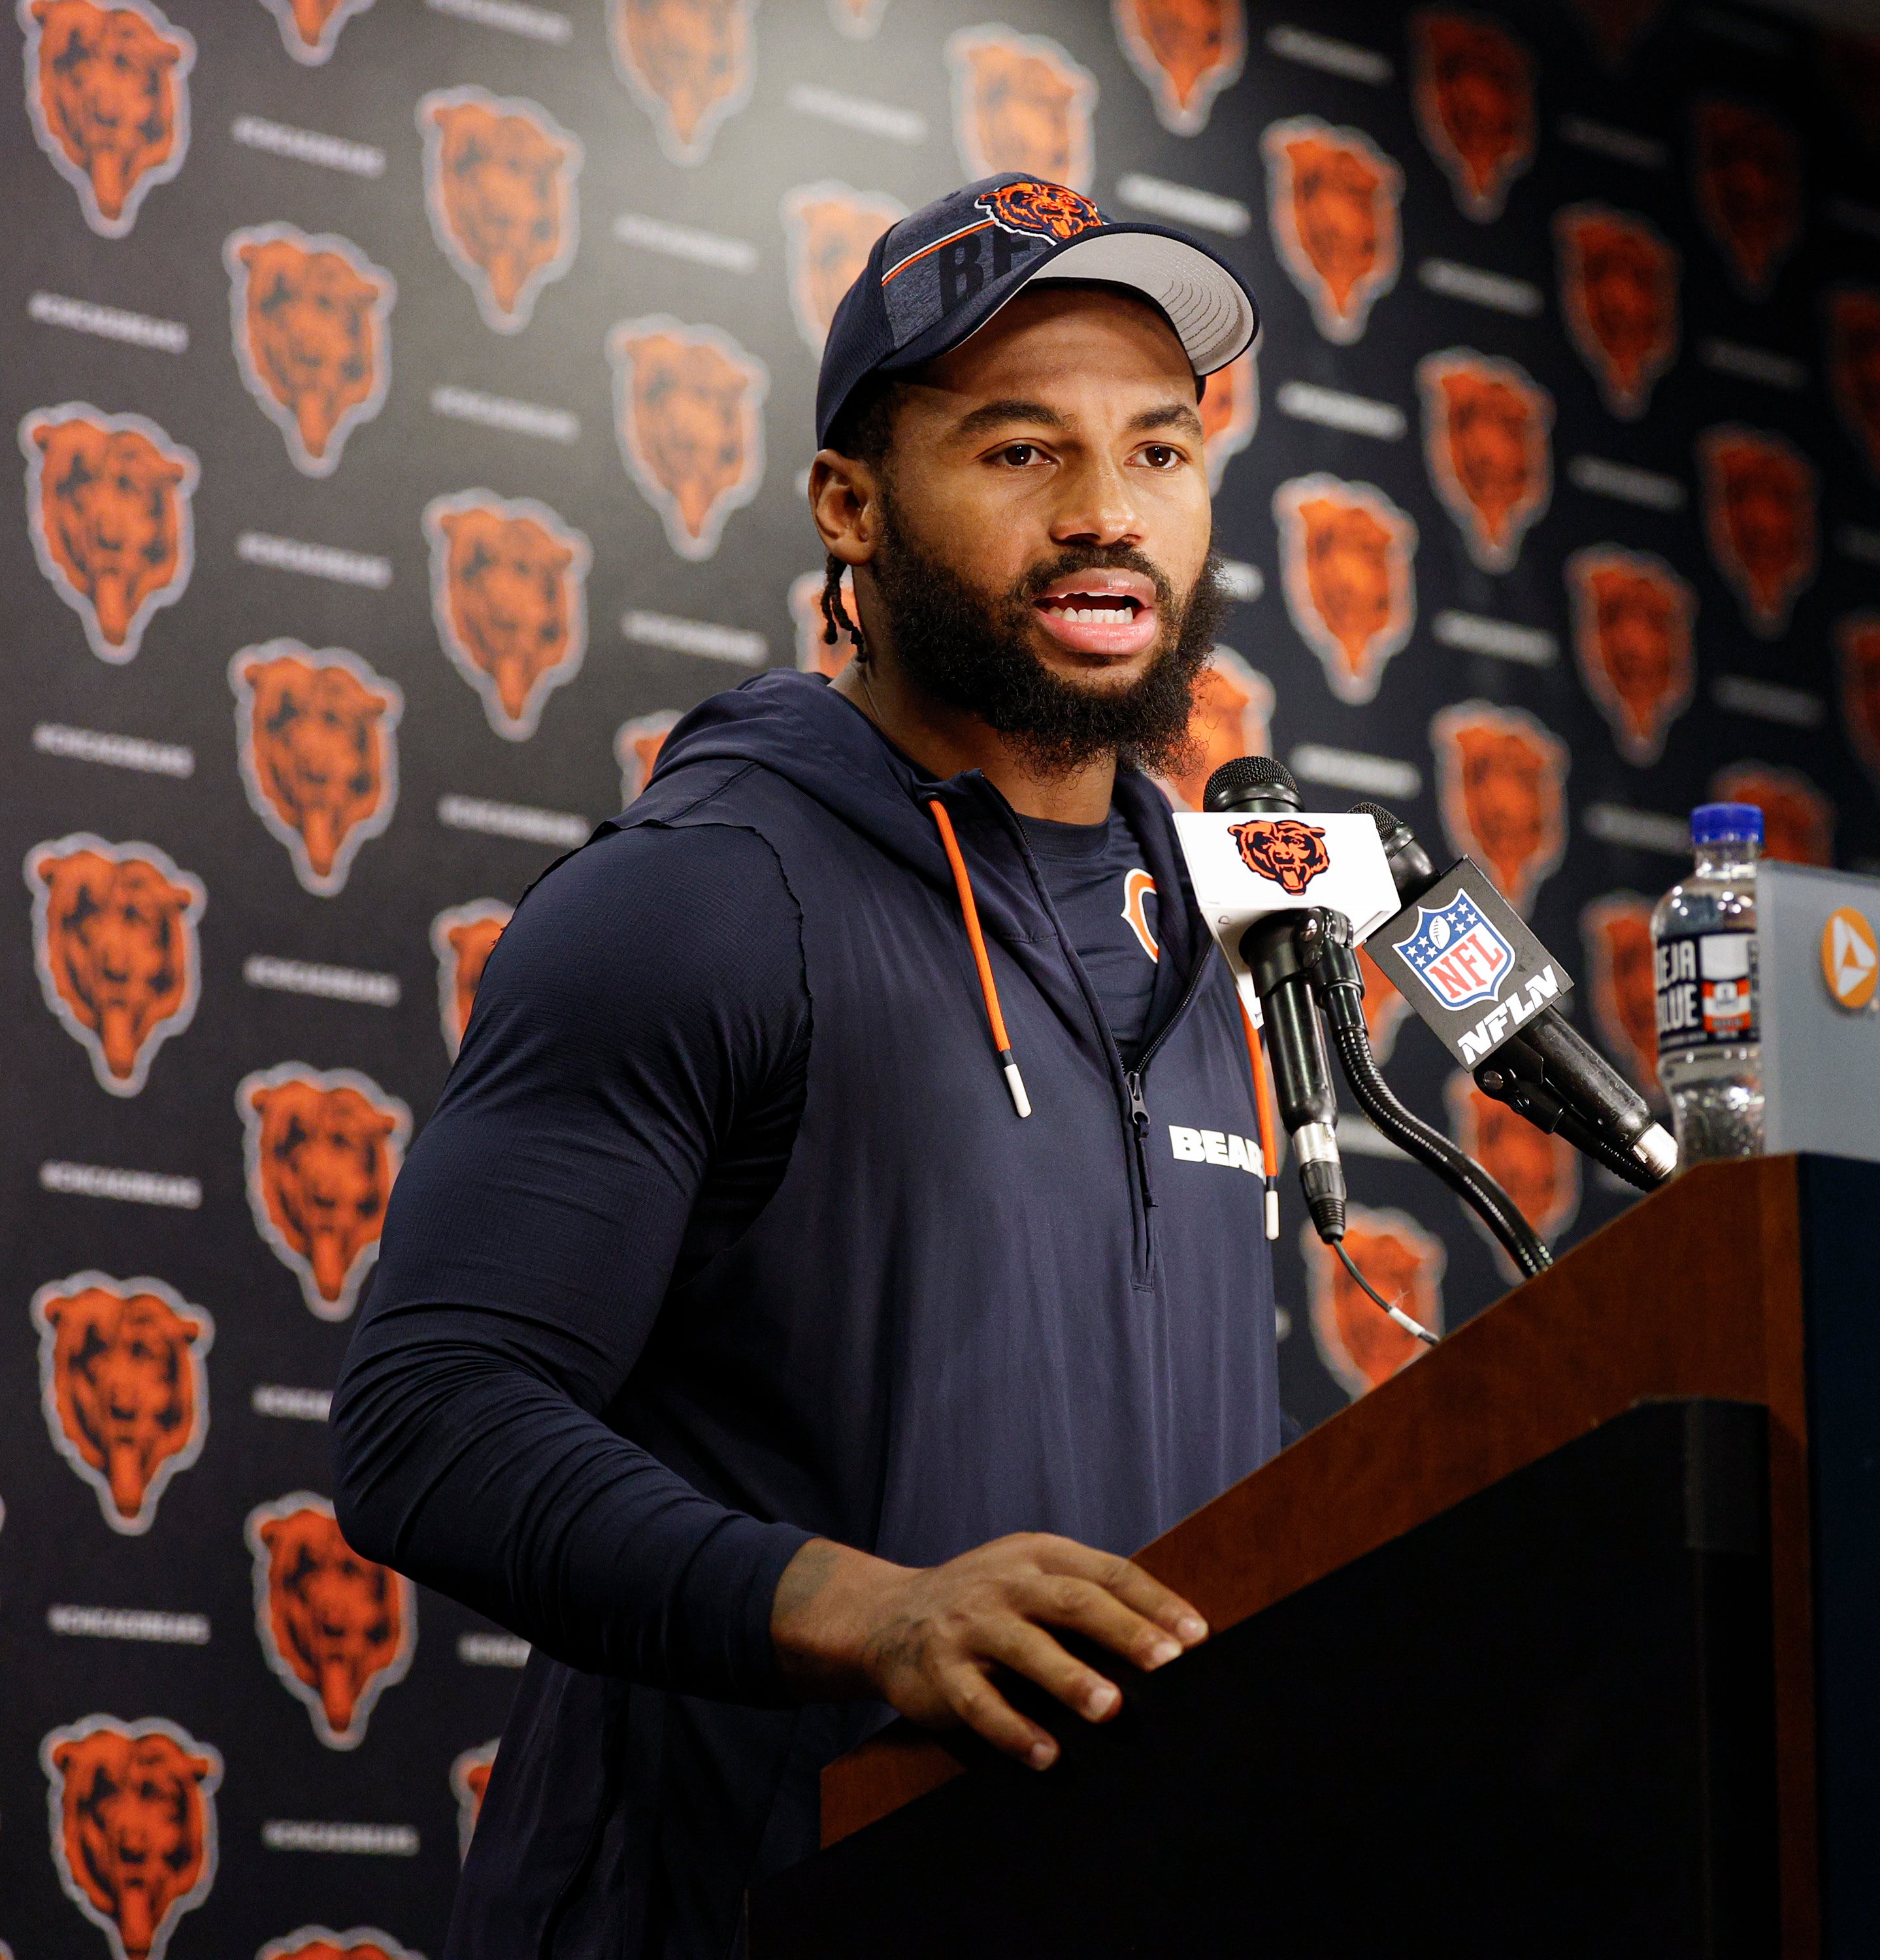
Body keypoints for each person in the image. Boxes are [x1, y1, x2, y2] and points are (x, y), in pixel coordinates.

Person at [332, 175, 1274, 1955]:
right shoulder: (706, 895)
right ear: (850, 505)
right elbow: (425, 1425)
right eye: (1017, 454)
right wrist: (867, 1611)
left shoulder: (1211, 935)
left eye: (1157, 454)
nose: (1106, 519)